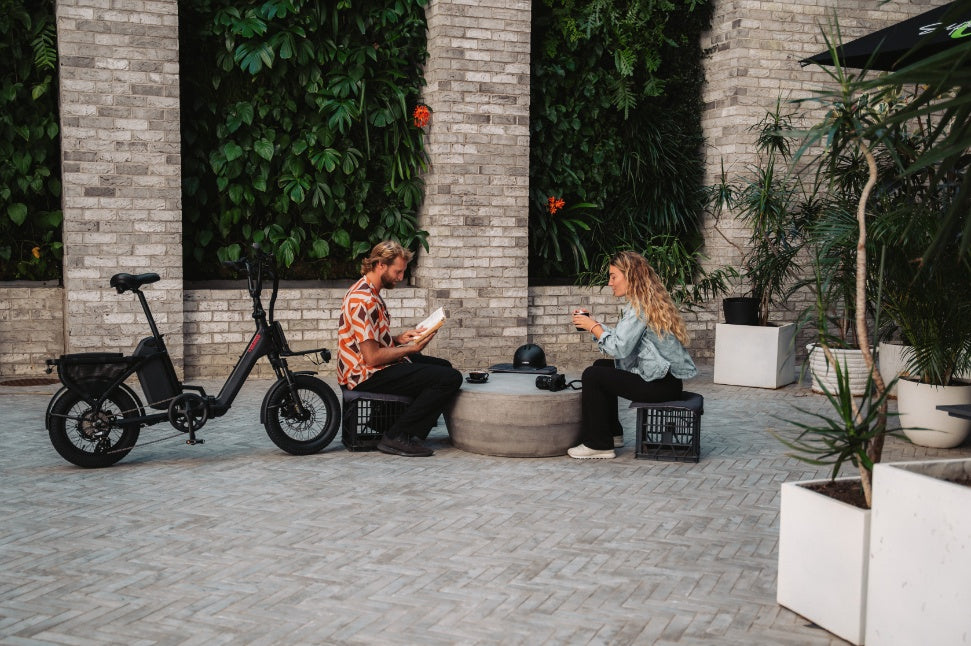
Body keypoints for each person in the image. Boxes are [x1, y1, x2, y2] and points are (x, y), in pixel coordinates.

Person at [337, 240, 462, 457]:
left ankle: (386, 422)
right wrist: (410, 349)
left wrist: (399, 339)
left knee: (443, 367)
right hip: (364, 374)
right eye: (398, 271)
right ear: (380, 265)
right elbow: (372, 357)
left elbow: (369, 340)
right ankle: (397, 435)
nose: (400, 277)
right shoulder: (363, 300)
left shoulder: (369, 291)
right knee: (449, 378)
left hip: (369, 366)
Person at [569, 250, 697, 459]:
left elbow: (620, 348)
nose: (610, 283)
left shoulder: (640, 308)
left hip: (659, 385)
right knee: (601, 366)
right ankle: (612, 433)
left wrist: (593, 327)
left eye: (613, 276)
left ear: (630, 276)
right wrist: (595, 324)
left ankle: (598, 444)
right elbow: (623, 339)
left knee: (593, 375)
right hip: (664, 381)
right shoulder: (643, 304)